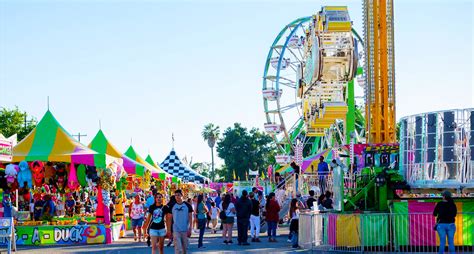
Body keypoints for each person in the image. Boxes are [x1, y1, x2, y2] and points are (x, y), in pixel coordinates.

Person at [166, 189, 193, 254]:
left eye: (178, 195)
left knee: (184, 249)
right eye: (175, 195)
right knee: (178, 248)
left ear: (182, 195)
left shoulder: (188, 205)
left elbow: (190, 218)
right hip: (176, 230)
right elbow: (169, 218)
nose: (177, 197)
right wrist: (169, 230)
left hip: (185, 229)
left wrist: (190, 229)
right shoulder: (172, 206)